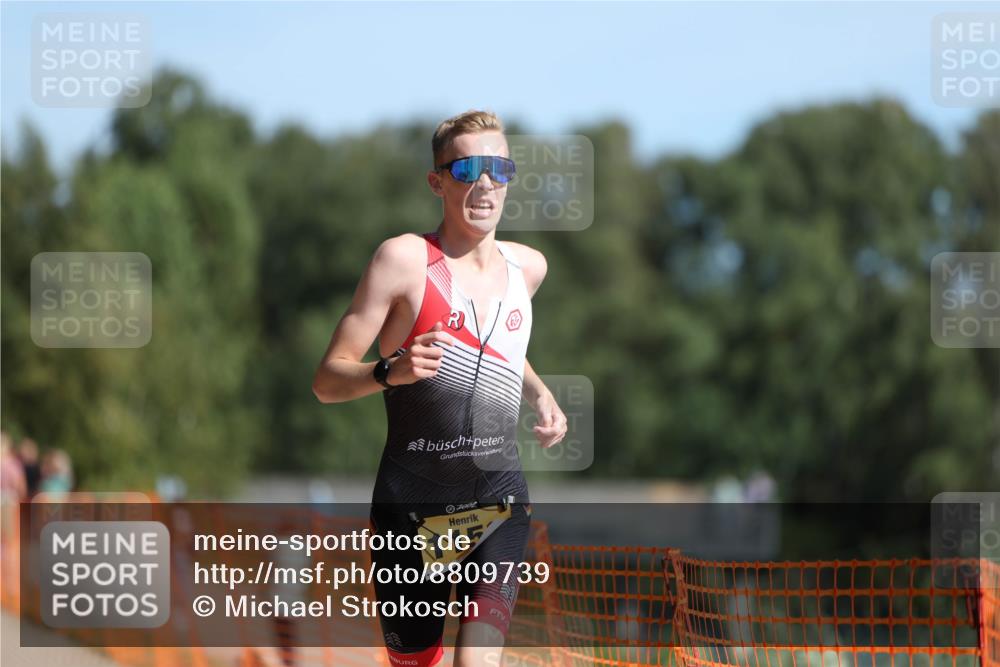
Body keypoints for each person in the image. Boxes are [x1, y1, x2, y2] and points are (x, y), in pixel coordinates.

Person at [312, 110, 567, 667]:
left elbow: (498, 345)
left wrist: (539, 393)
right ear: (437, 181)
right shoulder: (403, 261)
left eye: (498, 168)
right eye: (467, 168)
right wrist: (389, 372)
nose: (484, 183)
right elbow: (328, 380)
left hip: (496, 500)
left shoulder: (529, 269)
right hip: (412, 509)